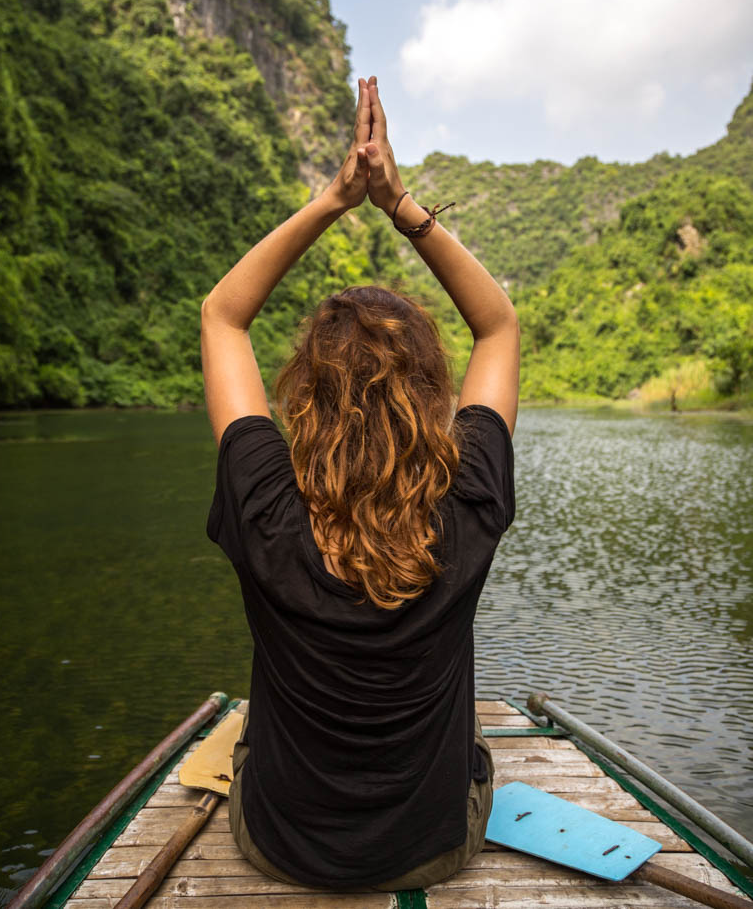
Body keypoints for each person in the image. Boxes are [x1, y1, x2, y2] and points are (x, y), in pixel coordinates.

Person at [202, 75, 520, 891]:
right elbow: (498, 324)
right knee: (477, 759)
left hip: (278, 846)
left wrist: (334, 200)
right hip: (430, 854)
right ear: (431, 399)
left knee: (244, 747)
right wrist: (398, 202)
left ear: (303, 396)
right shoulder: (468, 502)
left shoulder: (266, 506)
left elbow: (222, 316)